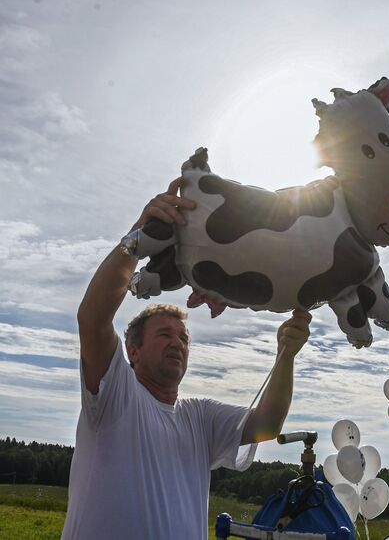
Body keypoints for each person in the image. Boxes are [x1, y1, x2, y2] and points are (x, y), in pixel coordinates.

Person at [61, 177, 312, 539]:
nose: (177, 343)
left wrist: (286, 356)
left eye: (183, 338)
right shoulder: (116, 393)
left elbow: (267, 425)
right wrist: (139, 239)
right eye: (164, 335)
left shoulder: (199, 416)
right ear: (132, 350)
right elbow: (93, 316)